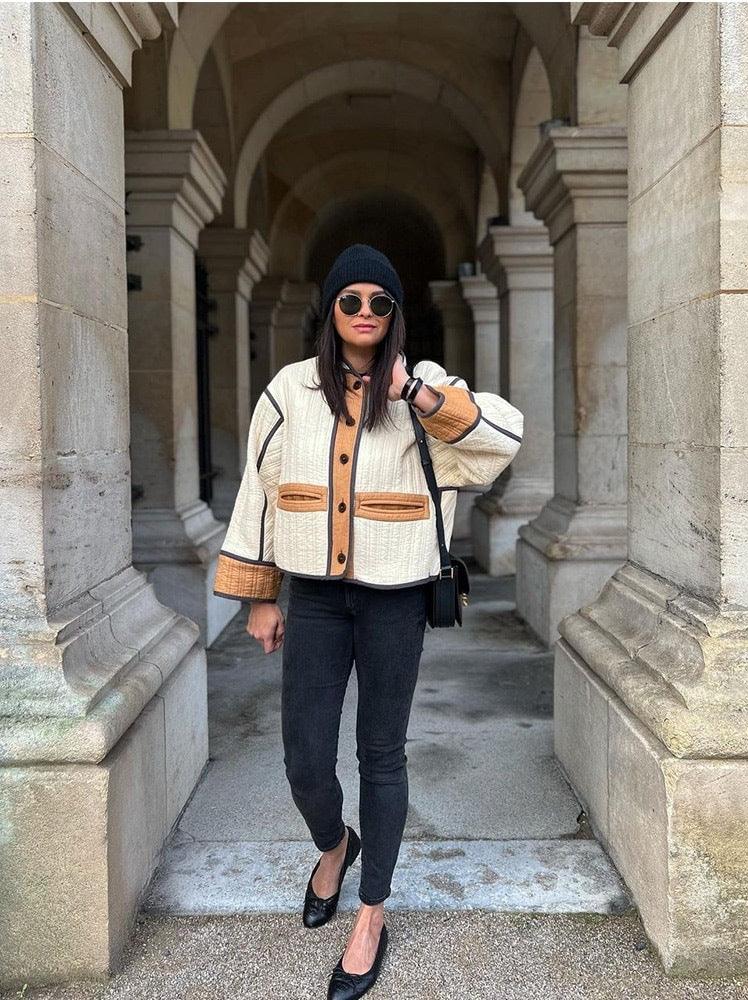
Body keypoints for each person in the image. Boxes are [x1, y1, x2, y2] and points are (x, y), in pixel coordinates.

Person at [213, 243, 524, 999]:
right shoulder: (290, 389)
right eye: (349, 301)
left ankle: (372, 913)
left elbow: (502, 444)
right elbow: (260, 488)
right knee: (304, 758)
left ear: (394, 314)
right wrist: (261, 594)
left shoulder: (427, 389)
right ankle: (334, 845)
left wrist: (413, 392)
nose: (363, 314)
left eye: (378, 302)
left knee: (381, 755)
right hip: (315, 598)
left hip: (395, 600)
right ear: (331, 312)